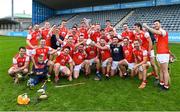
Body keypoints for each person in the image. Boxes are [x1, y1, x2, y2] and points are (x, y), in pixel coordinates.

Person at [143, 20, 170, 90]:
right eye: (154, 24)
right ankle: (161, 83)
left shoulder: (163, 31)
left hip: (163, 54)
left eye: (157, 24)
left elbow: (155, 31)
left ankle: (166, 86)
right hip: (159, 53)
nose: (155, 25)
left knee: (165, 71)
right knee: (161, 70)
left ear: (160, 24)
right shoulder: (156, 34)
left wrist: (147, 26)